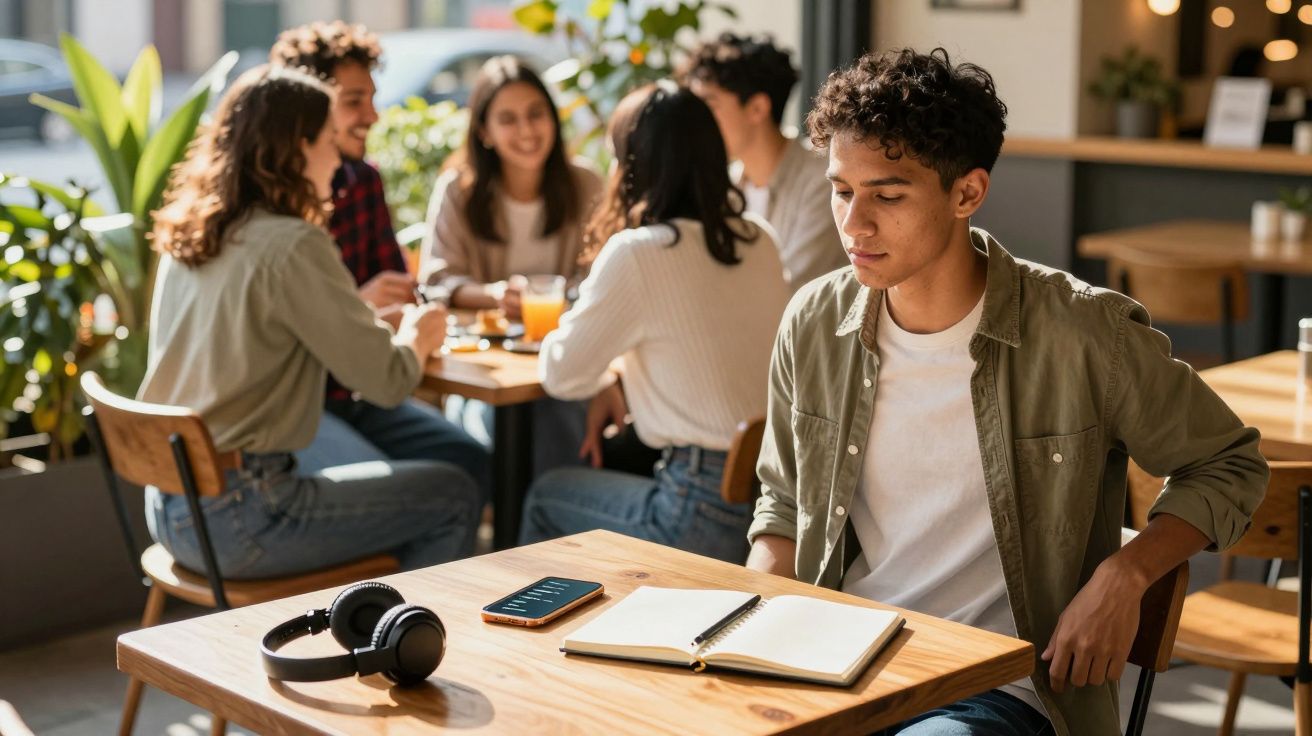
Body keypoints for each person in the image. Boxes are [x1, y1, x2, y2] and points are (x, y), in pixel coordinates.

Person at [745, 48, 1268, 734]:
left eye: (887, 196)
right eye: (842, 191)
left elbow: (1229, 464)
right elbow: (784, 506)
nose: (854, 223)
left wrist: (1126, 574)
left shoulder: (1086, 334)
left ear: (967, 193)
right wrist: (752, 631)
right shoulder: (814, 322)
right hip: (839, 662)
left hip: (998, 689)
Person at [140, 65, 482, 578]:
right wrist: (417, 336)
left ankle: (373, 618)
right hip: (246, 516)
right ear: (297, 148)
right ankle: (392, 629)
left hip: (172, 505)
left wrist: (359, 322)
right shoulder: (294, 243)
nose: (338, 157)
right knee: (454, 492)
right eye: (328, 140)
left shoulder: (192, 234)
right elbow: (389, 381)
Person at [517, 82, 792, 563]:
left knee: (546, 495)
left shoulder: (638, 252)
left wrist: (605, 377)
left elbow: (560, 374)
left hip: (696, 509)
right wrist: (615, 376)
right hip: (771, 505)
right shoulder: (759, 239)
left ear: (630, 168)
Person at [268, 21, 490, 492]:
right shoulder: (272, 218)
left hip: (360, 394)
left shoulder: (362, 181)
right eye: (354, 101)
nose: (372, 115)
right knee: (426, 491)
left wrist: (393, 311)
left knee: (478, 465)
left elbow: (401, 295)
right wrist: (357, 307)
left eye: (372, 98)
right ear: (307, 109)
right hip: (296, 410)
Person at [420, 55, 604, 474]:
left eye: (536, 114)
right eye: (508, 119)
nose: (526, 130)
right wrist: (494, 296)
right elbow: (436, 281)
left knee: (559, 425)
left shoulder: (586, 184)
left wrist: (561, 296)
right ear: (484, 131)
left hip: (563, 364)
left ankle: (550, 509)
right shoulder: (459, 190)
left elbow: (603, 277)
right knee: (487, 435)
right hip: (486, 371)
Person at [680, 32, 846, 291]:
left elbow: (791, 291)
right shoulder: (724, 187)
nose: (695, 123)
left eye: (709, 107)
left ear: (757, 108)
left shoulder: (824, 181)